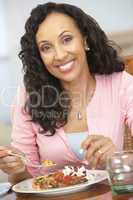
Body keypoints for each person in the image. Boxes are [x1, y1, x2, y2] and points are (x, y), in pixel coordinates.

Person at [0, 2, 133, 184]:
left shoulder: (120, 83)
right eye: (46, 47)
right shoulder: (30, 96)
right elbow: (21, 180)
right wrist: (16, 168)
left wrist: (116, 158)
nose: (60, 55)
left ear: (85, 40)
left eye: (67, 39)